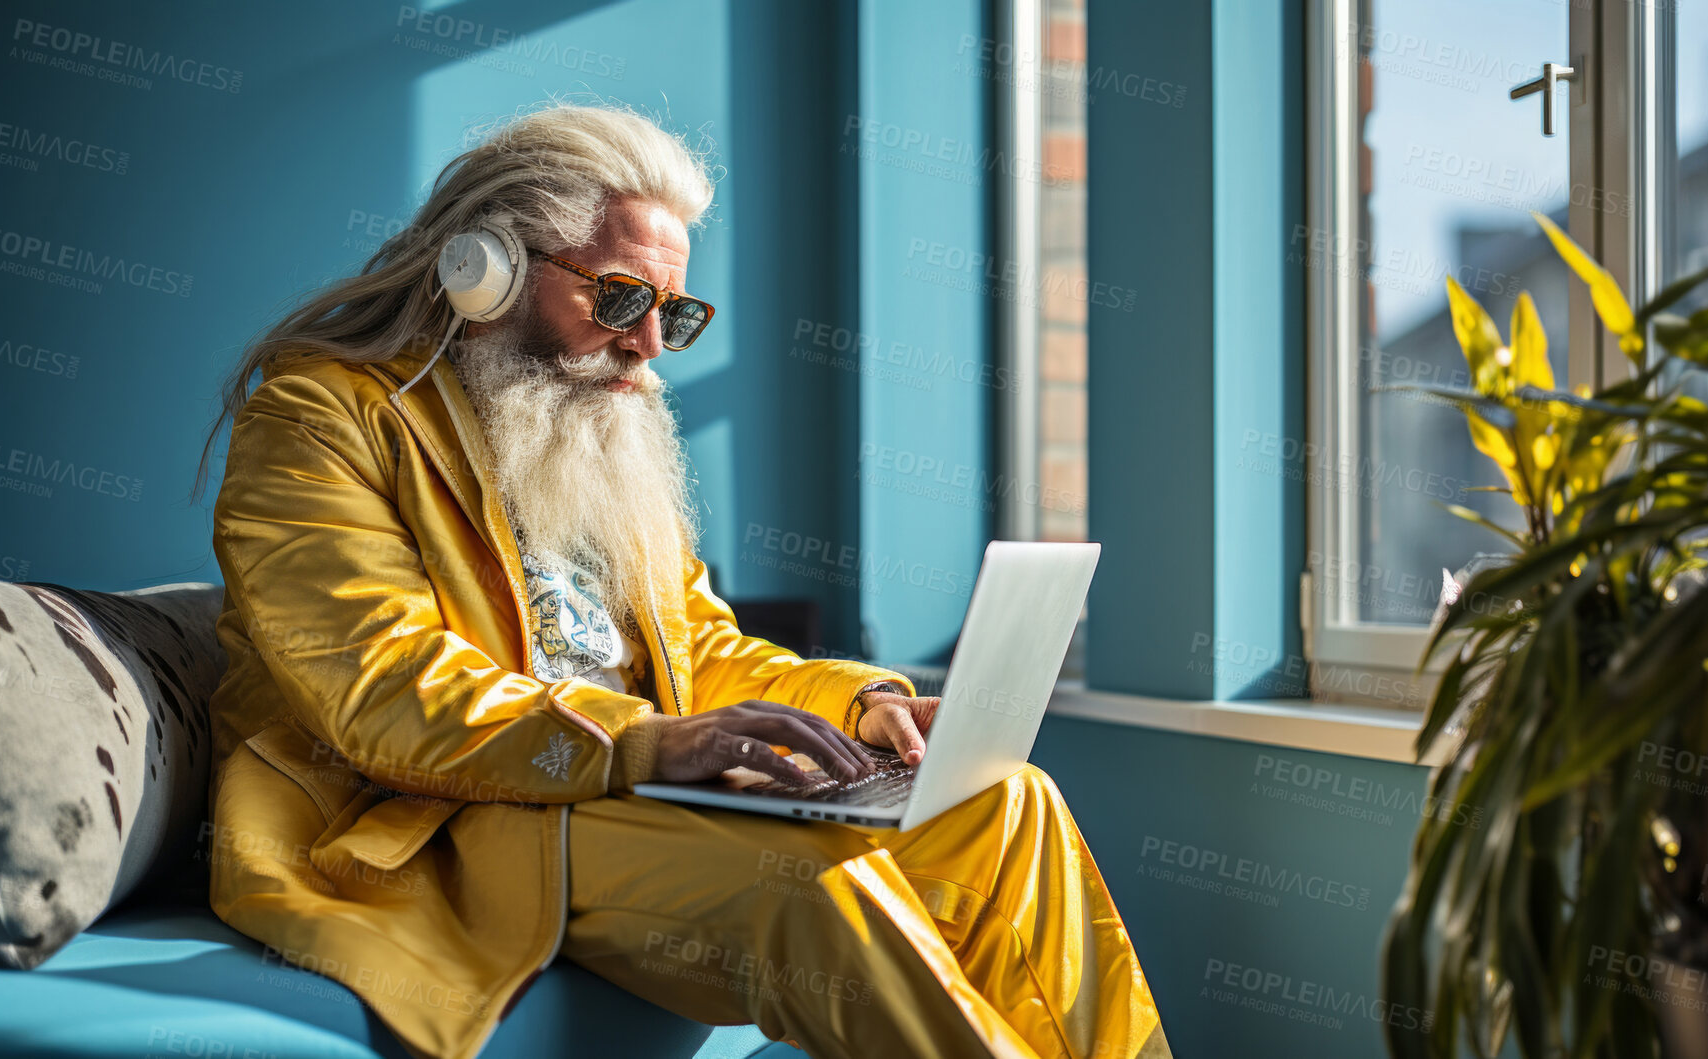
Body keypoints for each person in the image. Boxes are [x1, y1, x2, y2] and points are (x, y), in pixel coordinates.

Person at [199, 101, 1168, 1059]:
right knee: (810, 886)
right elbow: (379, 687)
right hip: (448, 818)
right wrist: (649, 746)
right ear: (481, 270)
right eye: (618, 298)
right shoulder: (319, 419)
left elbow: (697, 651)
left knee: (1010, 801)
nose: (648, 345)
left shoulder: (591, 437)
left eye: (674, 312)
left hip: (632, 787)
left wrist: (862, 706)